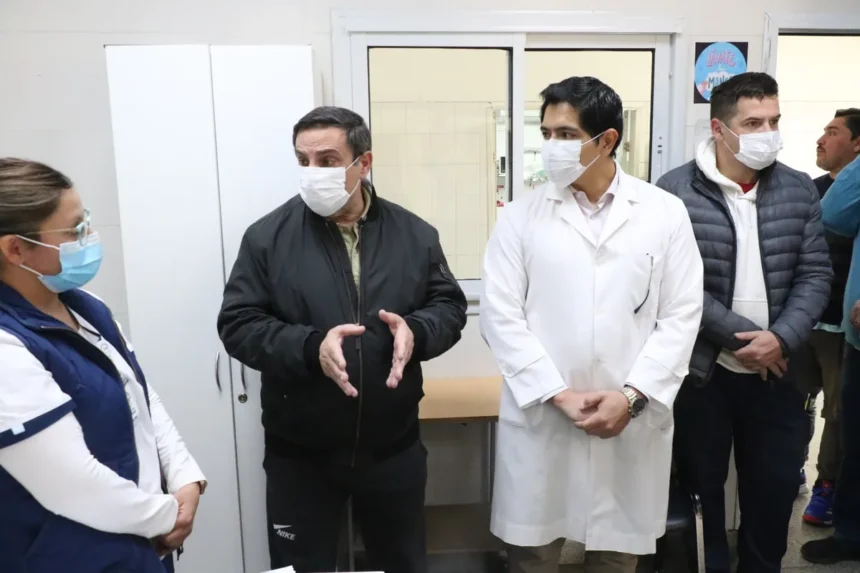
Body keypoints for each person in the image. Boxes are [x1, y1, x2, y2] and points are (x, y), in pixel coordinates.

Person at [217, 106, 468, 573]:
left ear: (363, 163)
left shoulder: (415, 235)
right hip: (301, 456)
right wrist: (310, 347)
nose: (313, 172)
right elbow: (239, 323)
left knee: (401, 564)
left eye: (328, 161)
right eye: (303, 160)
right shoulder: (267, 238)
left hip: (392, 449)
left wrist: (417, 331)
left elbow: (449, 307)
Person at [480, 76, 704, 573]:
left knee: (617, 556)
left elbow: (682, 315)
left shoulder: (664, 213)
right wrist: (557, 394)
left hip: (630, 419)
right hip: (544, 415)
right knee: (532, 555)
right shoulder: (519, 217)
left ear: (607, 140)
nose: (551, 146)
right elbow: (499, 316)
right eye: (546, 133)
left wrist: (632, 397)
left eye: (566, 134)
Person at [657, 72, 833, 573]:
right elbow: (673, 286)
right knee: (702, 490)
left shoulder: (798, 188)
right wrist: (743, 340)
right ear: (719, 128)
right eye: (753, 123)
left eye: (774, 121)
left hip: (780, 372)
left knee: (773, 492)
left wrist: (780, 338)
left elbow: (815, 273)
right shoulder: (673, 193)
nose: (768, 133)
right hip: (702, 372)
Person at [0, 158, 206, 573]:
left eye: (87, 222)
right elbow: (73, 486)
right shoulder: (7, 345)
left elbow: (140, 397)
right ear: (16, 249)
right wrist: (166, 515)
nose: (90, 238)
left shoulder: (85, 307)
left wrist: (184, 474)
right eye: (75, 231)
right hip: (71, 557)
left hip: (136, 544)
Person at [801, 108, 860, 525]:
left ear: (857, 144)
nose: (821, 139)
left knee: (837, 414)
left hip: (843, 326)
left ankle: (827, 487)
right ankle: (791, 470)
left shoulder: (848, 197)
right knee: (793, 402)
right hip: (804, 320)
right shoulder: (810, 190)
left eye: (834, 132)